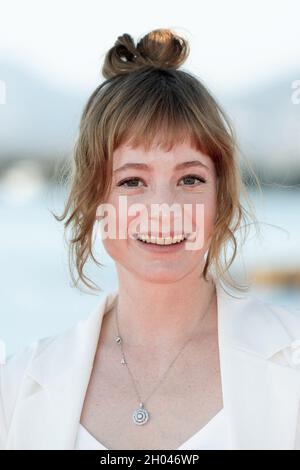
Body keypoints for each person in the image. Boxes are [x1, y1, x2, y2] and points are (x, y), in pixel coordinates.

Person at [1, 28, 300, 451]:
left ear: (221, 199)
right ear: (94, 200)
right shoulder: (18, 386)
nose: (164, 207)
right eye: (133, 180)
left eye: (191, 178)